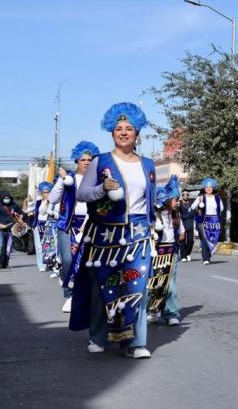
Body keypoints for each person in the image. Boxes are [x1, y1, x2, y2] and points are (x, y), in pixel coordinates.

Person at [73, 102, 157, 359]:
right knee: (103, 288)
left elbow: (151, 199)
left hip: (139, 232)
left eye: (129, 128)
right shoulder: (101, 162)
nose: (123, 132)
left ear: (137, 134)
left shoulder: (149, 165)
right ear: (111, 133)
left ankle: (135, 342)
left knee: (137, 287)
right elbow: (82, 193)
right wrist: (102, 189)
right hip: (105, 233)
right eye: (118, 128)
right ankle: (98, 337)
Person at [49, 140, 99, 313]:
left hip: (90, 224)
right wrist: (62, 180)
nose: (86, 162)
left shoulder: (96, 179)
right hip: (68, 224)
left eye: (89, 159)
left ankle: (87, 295)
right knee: (68, 260)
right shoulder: (69, 178)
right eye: (83, 159)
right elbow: (53, 199)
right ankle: (69, 294)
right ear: (77, 160)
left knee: (89, 262)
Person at [147, 175, 184, 326]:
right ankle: (153, 310)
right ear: (168, 200)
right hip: (157, 253)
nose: (179, 201)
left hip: (171, 252)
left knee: (171, 284)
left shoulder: (175, 214)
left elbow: (180, 230)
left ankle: (171, 313)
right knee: (155, 283)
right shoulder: (156, 214)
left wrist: (181, 233)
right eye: (176, 199)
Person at [193, 177, 224, 266]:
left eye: (210, 187)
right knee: (205, 239)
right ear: (204, 188)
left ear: (213, 188)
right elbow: (192, 207)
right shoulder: (201, 197)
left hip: (215, 221)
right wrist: (199, 201)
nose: (209, 188)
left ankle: (208, 254)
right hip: (204, 221)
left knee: (214, 239)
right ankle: (205, 258)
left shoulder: (217, 198)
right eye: (207, 187)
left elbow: (221, 208)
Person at [27, 181, 56, 273]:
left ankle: (49, 264)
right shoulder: (38, 202)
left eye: (48, 192)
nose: (46, 194)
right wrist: (25, 201)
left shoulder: (53, 202)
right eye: (44, 192)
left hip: (49, 225)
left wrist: (49, 202)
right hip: (38, 225)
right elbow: (26, 210)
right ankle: (41, 265)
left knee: (48, 246)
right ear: (41, 193)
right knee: (39, 247)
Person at [0, 190, 25, 270]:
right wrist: (0, 224)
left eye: (8, 198)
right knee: (0, 247)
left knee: (8, 248)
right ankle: (0, 263)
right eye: (5, 198)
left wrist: (20, 219)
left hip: (11, 230)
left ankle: (6, 264)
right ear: (2, 198)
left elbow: (21, 213)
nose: (7, 199)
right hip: (1, 230)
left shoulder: (14, 205)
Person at [179, 190, 196, 262]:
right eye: (184, 194)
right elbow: (179, 214)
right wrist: (186, 216)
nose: (185, 195)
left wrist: (185, 216)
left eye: (187, 194)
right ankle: (183, 256)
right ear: (182, 195)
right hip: (182, 225)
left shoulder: (192, 202)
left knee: (190, 241)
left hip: (190, 224)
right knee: (182, 241)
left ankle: (187, 253)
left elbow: (193, 213)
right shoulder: (179, 203)